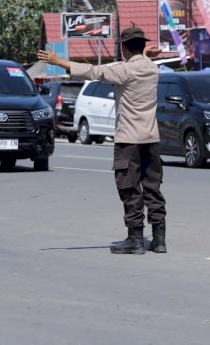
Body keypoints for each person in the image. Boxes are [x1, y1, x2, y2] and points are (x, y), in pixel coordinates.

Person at [37, 26, 166, 255]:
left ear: (124, 48)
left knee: (129, 188)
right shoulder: (152, 69)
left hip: (129, 140)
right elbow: (141, 59)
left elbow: (93, 71)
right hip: (151, 139)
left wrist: (60, 62)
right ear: (142, 46)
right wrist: (146, 53)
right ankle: (158, 240)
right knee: (152, 188)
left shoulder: (123, 70)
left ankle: (135, 240)